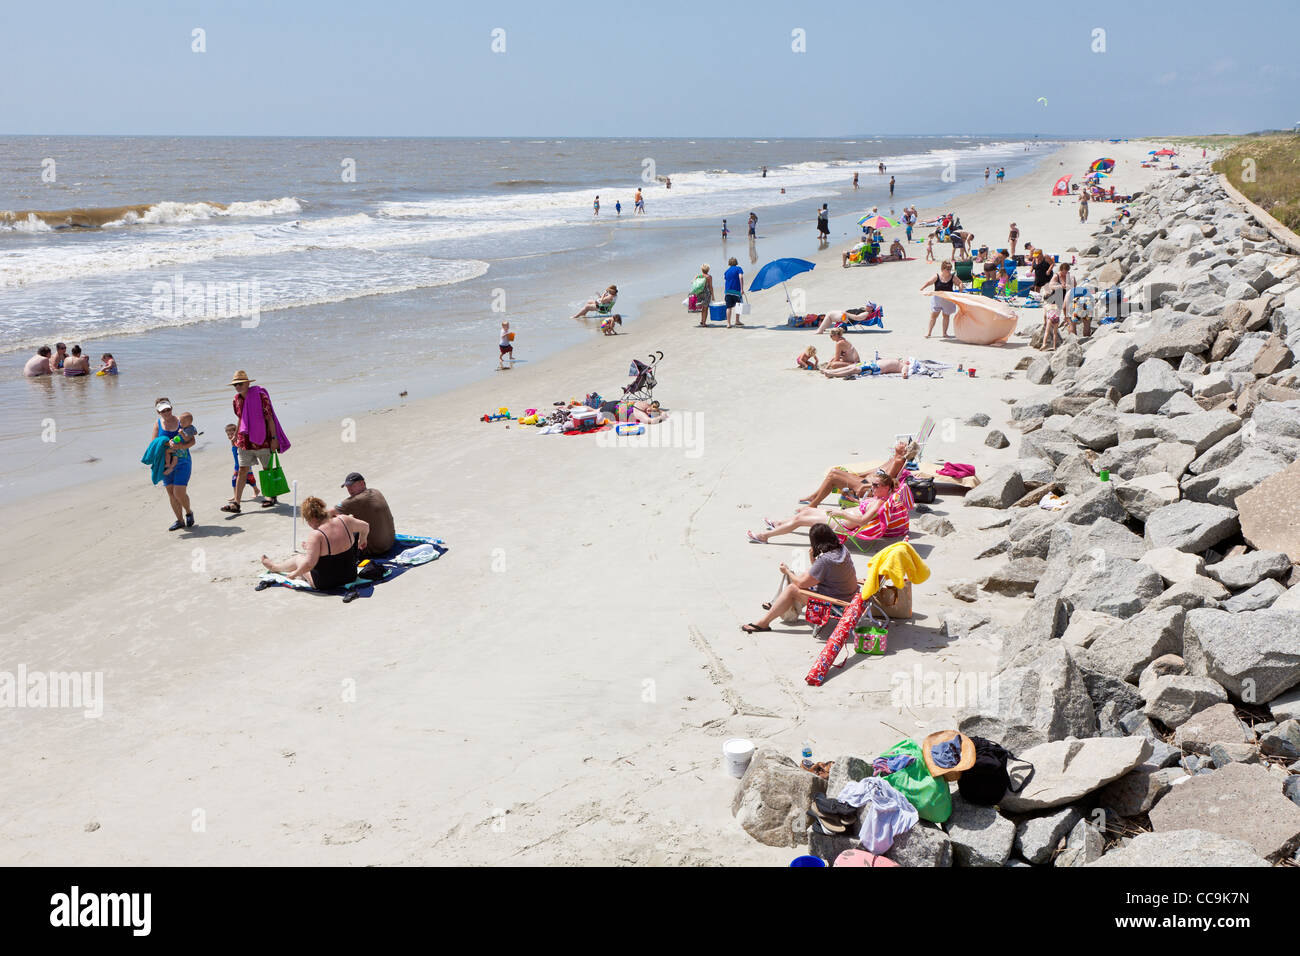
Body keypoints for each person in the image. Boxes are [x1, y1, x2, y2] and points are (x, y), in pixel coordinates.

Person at [740, 524, 859, 633]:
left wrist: (786, 571)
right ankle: (776, 604)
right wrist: (812, 560)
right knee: (803, 574)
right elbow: (823, 573)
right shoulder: (842, 550)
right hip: (849, 597)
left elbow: (802, 584)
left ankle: (764, 623)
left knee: (792, 586)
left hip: (836, 605)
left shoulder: (825, 561)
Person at [261, 497, 369, 590]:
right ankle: (292, 572)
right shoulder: (344, 520)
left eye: (307, 521)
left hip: (326, 583)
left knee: (299, 559)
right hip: (350, 575)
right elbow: (365, 526)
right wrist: (362, 540)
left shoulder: (316, 535)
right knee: (311, 556)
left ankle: (275, 567)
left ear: (312, 519)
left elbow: (309, 564)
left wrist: (294, 574)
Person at [223, 370, 288, 514]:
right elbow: (241, 418)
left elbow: (269, 418)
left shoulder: (260, 396)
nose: (238, 387)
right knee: (242, 470)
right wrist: (235, 436)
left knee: (267, 469)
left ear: (247, 383)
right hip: (244, 440)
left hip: (262, 439)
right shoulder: (236, 399)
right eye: (235, 385)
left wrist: (274, 439)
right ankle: (236, 503)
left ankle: (270, 496)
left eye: (240, 384)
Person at [798, 440, 915, 507]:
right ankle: (814, 497)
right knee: (835, 471)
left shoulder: (898, 461)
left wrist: (864, 485)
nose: (900, 442)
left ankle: (813, 504)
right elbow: (876, 470)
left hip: (867, 488)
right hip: (864, 482)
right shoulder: (894, 458)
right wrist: (857, 474)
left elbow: (886, 481)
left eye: (903, 444)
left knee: (833, 476)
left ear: (904, 451)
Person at [151, 398, 196, 530]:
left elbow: (192, 441)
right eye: (163, 411)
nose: (166, 412)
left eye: (168, 409)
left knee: (179, 493)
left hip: (183, 461)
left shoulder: (182, 421)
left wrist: (181, 446)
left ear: (171, 408)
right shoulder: (158, 424)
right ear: (158, 412)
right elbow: (154, 444)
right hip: (165, 462)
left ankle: (188, 512)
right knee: (171, 493)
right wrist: (167, 445)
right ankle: (180, 520)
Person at [330, 472, 395, 557]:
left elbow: (329, 513)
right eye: (348, 487)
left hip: (377, 549)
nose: (350, 490)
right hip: (390, 542)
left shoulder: (357, 500)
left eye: (352, 486)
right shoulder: (375, 491)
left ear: (362, 483)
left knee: (342, 526)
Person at [921, 260, 962, 338]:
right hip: (937, 299)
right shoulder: (937, 276)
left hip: (948, 300)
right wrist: (922, 288)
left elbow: (960, 283)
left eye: (950, 269)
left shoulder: (952, 277)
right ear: (943, 269)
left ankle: (944, 333)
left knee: (946, 316)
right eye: (947, 269)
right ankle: (929, 332)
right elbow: (929, 282)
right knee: (934, 315)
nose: (949, 271)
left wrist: (960, 291)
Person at [225, 423, 258, 501]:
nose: (230, 436)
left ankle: (256, 490)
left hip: (245, 464)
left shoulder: (240, 442)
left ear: (236, 433)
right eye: (228, 434)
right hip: (237, 465)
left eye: (232, 434)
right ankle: (235, 495)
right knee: (234, 480)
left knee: (250, 479)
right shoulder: (232, 442)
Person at [163, 411, 197, 475]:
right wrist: (173, 440)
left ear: (190, 423)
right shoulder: (184, 428)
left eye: (183, 422)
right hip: (176, 445)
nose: (181, 424)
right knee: (167, 451)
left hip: (181, 449)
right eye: (180, 422)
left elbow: (187, 439)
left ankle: (171, 468)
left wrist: (182, 434)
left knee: (175, 458)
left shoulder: (190, 429)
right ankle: (167, 463)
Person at [723, 256, 745, 328]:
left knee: (728, 307)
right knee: (738, 305)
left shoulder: (726, 271)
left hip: (728, 291)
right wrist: (742, 289)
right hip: (736, 291)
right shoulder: (739, 268)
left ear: (729, 263)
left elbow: (726, 279)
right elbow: (741, 277)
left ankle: (728, 323)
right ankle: (737, 320)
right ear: (736, 263)